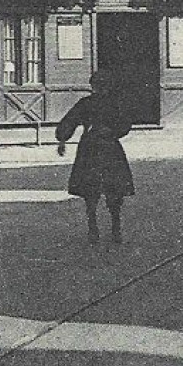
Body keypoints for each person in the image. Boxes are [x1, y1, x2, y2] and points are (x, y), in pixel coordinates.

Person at [55, 69, 135, 244]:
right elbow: (70, 120)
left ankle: (115, 227)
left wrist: (113, 131)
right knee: (91, 190)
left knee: (113, 189)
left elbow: (125, 123)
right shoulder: (86, 103)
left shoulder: (114, 103)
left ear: (108, 87)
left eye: (103, 86)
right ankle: (94, 227)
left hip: (106, 147)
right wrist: (62, 138)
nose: (99, 89)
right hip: (93, 148)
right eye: (97, 86)